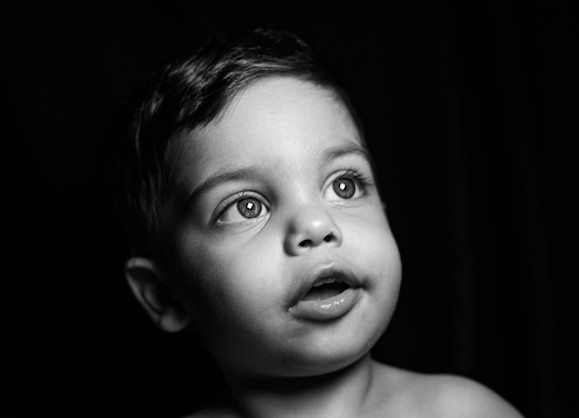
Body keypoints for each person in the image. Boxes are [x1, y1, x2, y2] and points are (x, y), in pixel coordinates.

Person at [115, 27, 524, 417]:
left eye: (344, 185)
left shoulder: (464, 412)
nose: (315, 225)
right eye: (247, 207)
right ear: (163, 295)